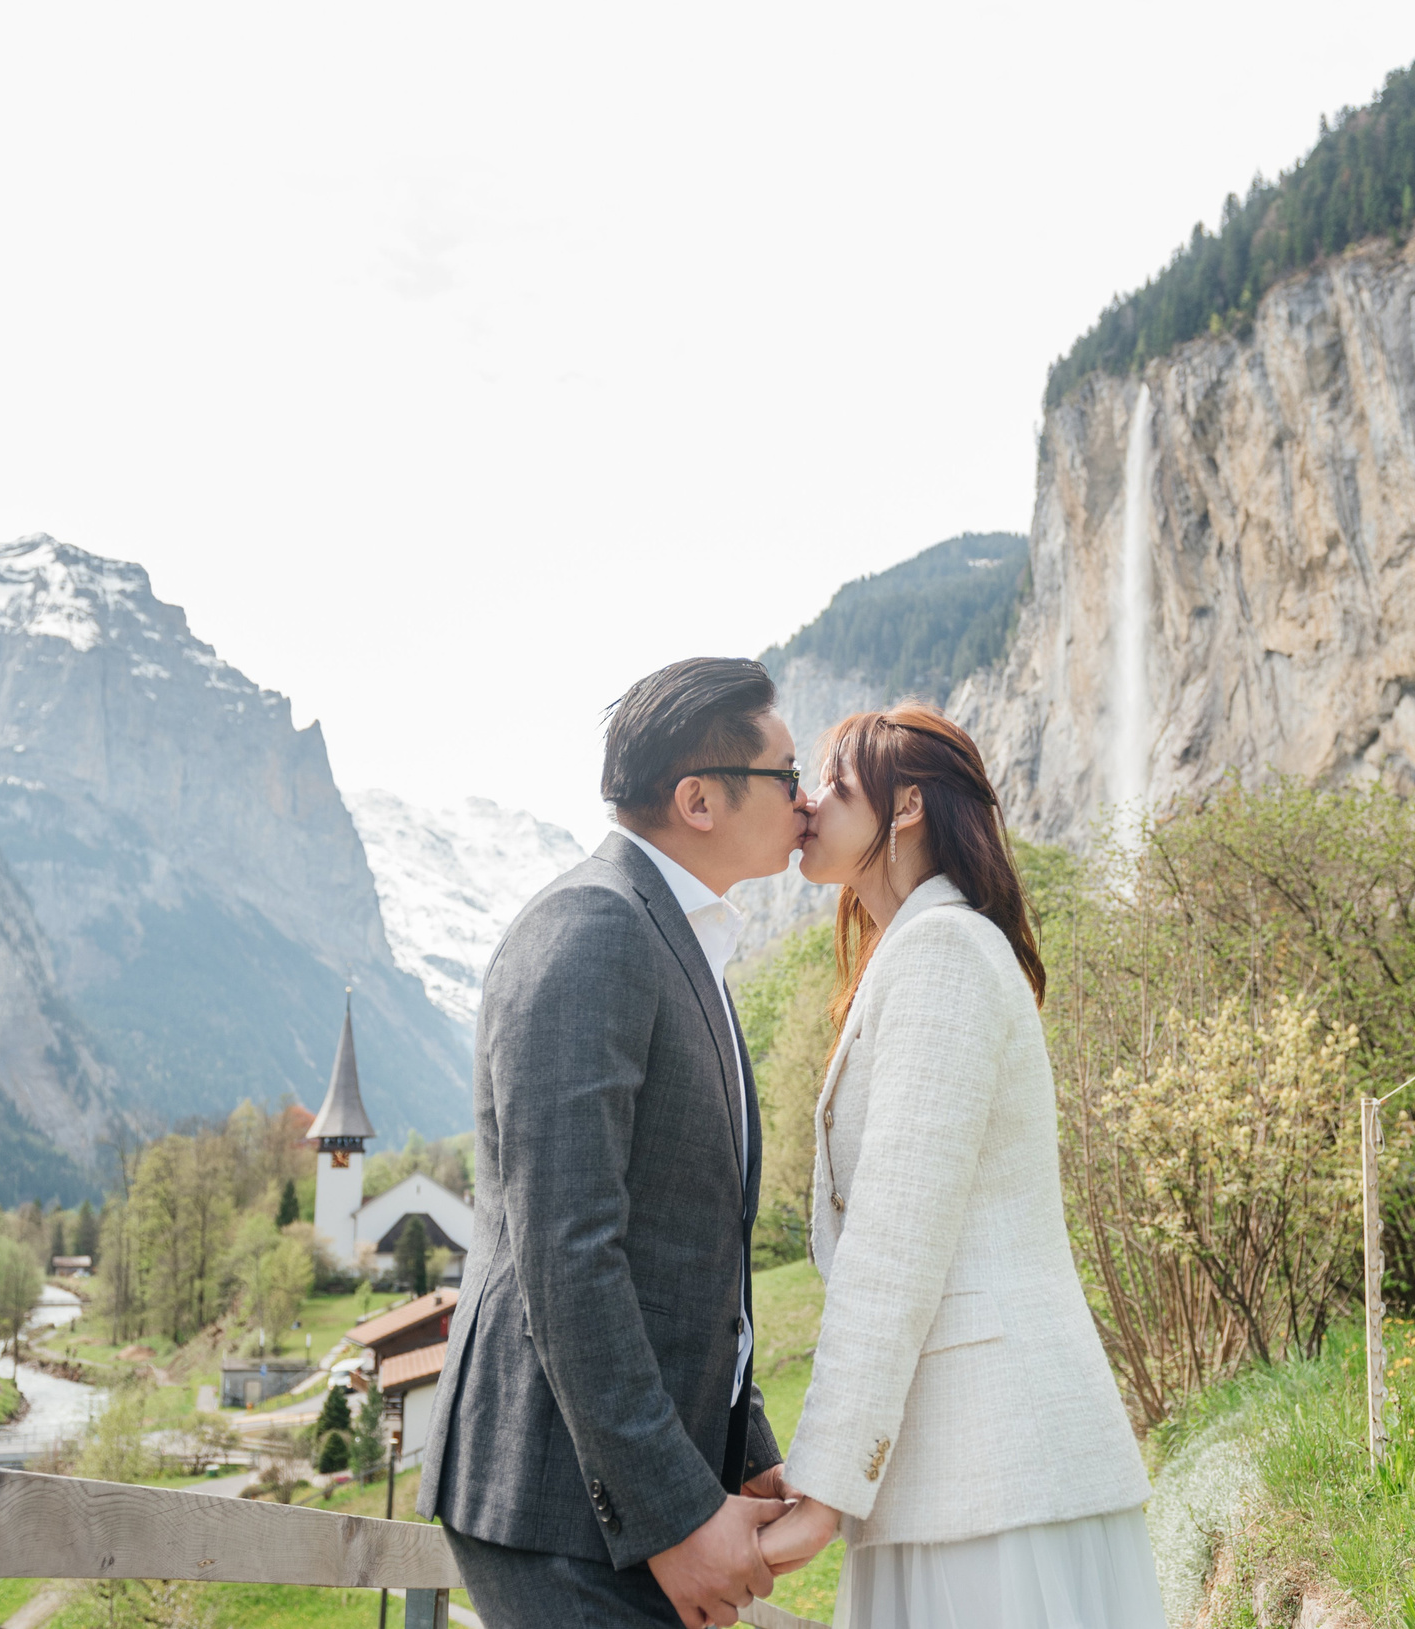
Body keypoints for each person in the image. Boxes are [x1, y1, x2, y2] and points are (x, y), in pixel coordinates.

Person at [420, 657, 813, 1629]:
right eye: (788, 775)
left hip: (630, 1497)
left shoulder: (681, 942)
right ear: (699, 798)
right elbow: (567, 1252)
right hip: (562, 1505)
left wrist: (744, 1440)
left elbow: (684, 1247)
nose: (806, 801)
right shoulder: (592, 927)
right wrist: (676, 1512)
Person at [757, 704, 1162, 1627]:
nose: (808, 804)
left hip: (992, 1472)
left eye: (834, 783)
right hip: (962, 1475)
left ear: (905, 809)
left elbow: (894, 1242)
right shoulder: (923, 953)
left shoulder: (942, 952)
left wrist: (824, 1486)